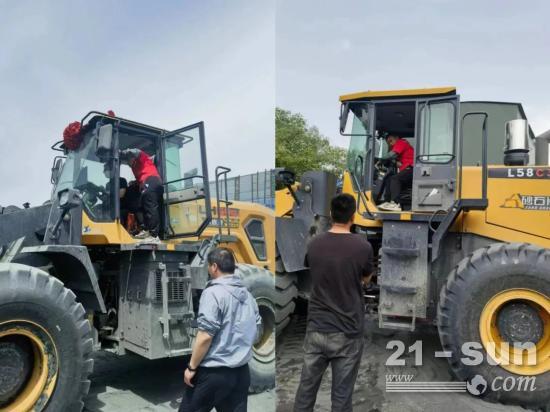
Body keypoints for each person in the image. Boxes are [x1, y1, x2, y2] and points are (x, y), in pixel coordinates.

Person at [294, 194, 374, 412]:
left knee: (305, 392)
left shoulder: (314, 243)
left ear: (330, 214)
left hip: (317, 328)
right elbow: (366, 278)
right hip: (348, 331)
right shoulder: (363, 246)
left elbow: (312, 268)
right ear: (353, 216)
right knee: (341, 398)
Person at [180, 247, 261, 412]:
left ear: (214, 267)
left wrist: (191, 367)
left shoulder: (213, 293)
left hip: (214, 373)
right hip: (241, 373)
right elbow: (256, 332)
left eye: (208, 266)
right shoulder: (248, 296)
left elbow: (205, 336)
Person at [119, 148, 163, 241]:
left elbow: (137, 151)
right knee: (137, 202)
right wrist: (135, 182)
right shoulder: (134, 168)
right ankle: (144, 228)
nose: (128, 163)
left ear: (132, 158)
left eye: (128, 159)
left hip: (152, 179)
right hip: (145, 183)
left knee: (149, 203)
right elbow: (141, 178)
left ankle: (154, 235)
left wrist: (122, 152)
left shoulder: (142, 158)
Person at [376, 134, 414, 212]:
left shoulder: (401, 142)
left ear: (396, 137)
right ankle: (387, 201)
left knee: (395, 179)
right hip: (408, 170)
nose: (390, 144)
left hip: (413, 169)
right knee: (389, 179)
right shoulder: (400, 150)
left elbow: (391, 155)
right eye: (388, 143)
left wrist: (379, 160)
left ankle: (396, 203)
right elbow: (393, 160)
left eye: (391, 141)